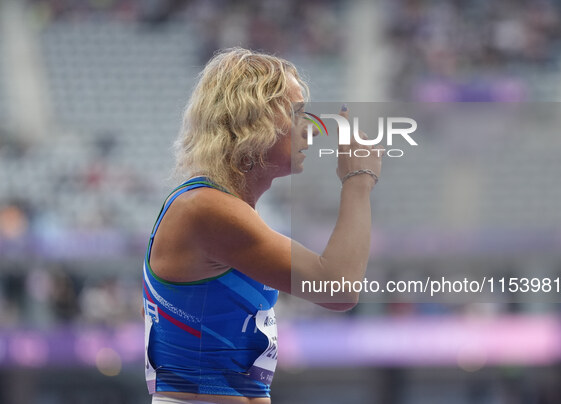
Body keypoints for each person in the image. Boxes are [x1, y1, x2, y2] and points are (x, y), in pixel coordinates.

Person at [143, 47, 383, 404]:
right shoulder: (206, 208)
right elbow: (338, 288)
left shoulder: (222, 208)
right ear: (251, 120)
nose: (313, 129)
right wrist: (358, 181)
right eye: (298, 113)